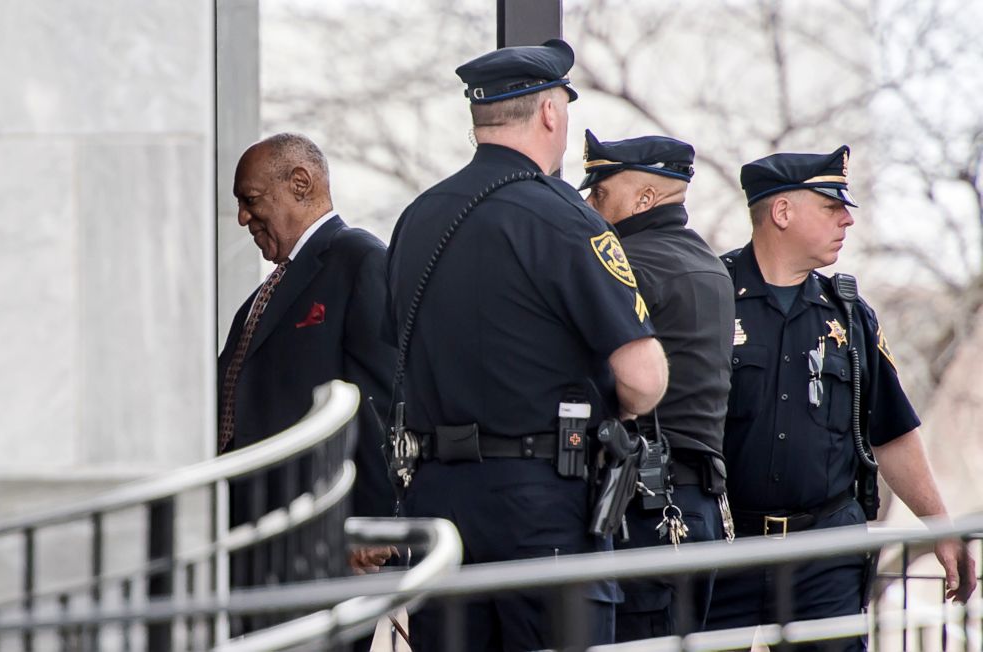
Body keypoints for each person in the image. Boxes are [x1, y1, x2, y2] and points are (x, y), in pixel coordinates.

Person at [385, 40, 669, 651]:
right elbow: (644, 377)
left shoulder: (414, 220)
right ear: (549, 113)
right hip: (543, 509)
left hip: (438, 506)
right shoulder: (564, 218)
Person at [707, 146, 977, 649]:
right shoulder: (709, 297)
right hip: (725, 551)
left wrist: (940, 527)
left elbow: (892, 431)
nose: (848, 219)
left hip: (823, 558)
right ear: (782, 212)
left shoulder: (848, 315)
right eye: (832, 207)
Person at [219, 134, 397, 633]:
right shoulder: (257, 299)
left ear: (301, 183)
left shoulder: (360, 260)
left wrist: (373, 522)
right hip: (255, 540)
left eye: (250, 201)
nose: (242, 219)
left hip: (322, 542)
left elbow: (380, 400)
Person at [579, 130, 735, 639]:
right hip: (698, 509)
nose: (589, 202)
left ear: (643, 198)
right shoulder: (710, 265)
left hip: (648, 509)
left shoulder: (627, 266)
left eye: (600, 192)